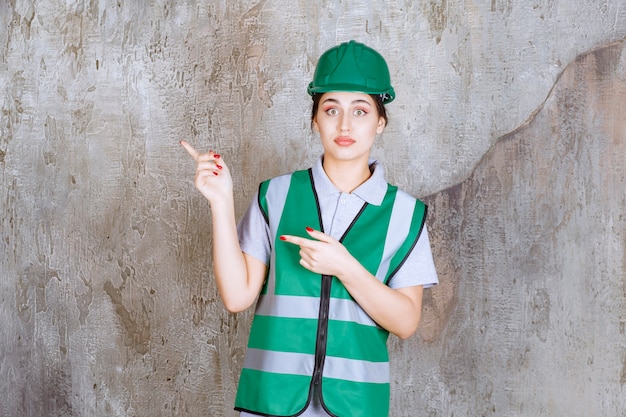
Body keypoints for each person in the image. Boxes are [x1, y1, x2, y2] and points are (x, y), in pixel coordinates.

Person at [181, 40, 438, 417]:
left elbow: (406, 322)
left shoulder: (405, 213)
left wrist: (345, 267)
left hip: (356, 406)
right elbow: (237, 297)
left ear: (381, 122)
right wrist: (221, 201)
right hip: (270, 401)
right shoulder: (276, 195)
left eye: (361, 110)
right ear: (315, 119)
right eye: (331, 109)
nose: (345, 124)